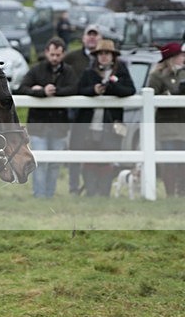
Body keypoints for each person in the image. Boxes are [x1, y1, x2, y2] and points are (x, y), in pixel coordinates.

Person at [15, 37, 78, 198]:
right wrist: (41, 92)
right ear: (46, 53)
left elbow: (74, 89)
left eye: (58, 55)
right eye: (52, 54)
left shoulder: (68, 71)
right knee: (40, 162)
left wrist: (56, 91)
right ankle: (39, 194)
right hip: (38, 125)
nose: (54, 58)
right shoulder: (37, 70)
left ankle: (49, 194)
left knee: (55, 163)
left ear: (63, 54)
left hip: (59, 125)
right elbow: (22, 88)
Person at [72, 39, 135, 197]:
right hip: (90, 124)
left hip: (111, 124)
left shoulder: (121, 72)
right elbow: (80, 89)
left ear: (113, 56)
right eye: (100, 54)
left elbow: (130, 90)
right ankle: (91, 192)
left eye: (107, 53)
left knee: (108, 158)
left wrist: (112, 87)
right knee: (89, 158)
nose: (104, 57)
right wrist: (94, 90)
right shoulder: (89, 72)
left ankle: (104, 192)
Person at [63, 24, 102, 194]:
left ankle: (93, 188)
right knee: (75, 150)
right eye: (89, 35)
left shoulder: (105, 58)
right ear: (83, 38)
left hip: (100, 115)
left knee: (97, 151)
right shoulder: (72, 57)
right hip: (77, 114)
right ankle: (73, 186)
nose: (92, 38)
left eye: (95, 35)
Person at [149, 41, 185, 197]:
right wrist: (168, 97)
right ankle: (170, 192)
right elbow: (152, 97)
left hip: (183, 124)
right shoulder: (157, 76)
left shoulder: (184, 73)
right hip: (167, 125)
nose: (183, 58)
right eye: (180, 55)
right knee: (169, 161)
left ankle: (182, 191)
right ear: (172, 57)